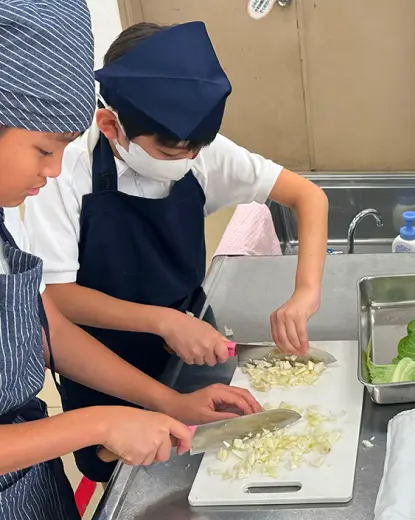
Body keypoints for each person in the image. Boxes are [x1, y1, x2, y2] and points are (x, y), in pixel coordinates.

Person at [23, 21, 328, 483]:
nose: (187, 162)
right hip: (99, 347)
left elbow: (310, 197)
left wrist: (305, 291)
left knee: (204, 458)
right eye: (169, 153)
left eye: (195, 150)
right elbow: (57, 299)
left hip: (190, 341)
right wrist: (160, 321)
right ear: (110, 125)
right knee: (125, 471)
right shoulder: (62, 171)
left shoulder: (200, 151)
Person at [0, 3, 261, 518]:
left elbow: (44, 327)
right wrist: (97, 425)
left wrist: (170, 402)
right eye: (42, 149)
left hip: (31, 482)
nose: (53, 172)